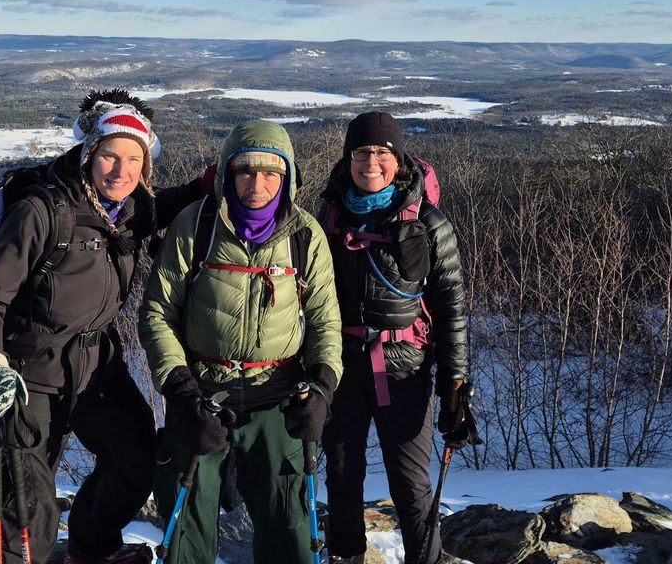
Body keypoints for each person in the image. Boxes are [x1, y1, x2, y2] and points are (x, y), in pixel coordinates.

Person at [0, 90, 200, 564]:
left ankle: (92, 549)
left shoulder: (131, 210)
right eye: (110, 156)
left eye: (134, 159)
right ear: (89, 153)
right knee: (24, 508)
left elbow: (166, 204)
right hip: (28, 374)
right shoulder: (43, 210)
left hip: (96, 368)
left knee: (135, 459)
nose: (121, 170)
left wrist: (220, 179)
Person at [139, 119, 342, 564]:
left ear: (288, 178)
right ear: (227, 173)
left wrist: (322, 388)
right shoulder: (195, 227)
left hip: (279, 398)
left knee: (289, 530)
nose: (257, 182)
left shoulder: (306, 236)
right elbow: (158, 312)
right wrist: (181, 390)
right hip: (201, 396)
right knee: (186, 531)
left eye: (272, 172)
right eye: (245, 170)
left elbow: (326, 322)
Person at [318, 112, 471, 564]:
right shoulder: (328, 214)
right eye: (362, 152)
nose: (371, 161)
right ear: (348, 159)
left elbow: (452, 305)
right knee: (343, 473)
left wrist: (456, 382)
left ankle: (426, 559)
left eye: (382, 153)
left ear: (398, 159)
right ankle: (346, 556)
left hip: (404, 365)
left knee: (410, 480)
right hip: (342, 364)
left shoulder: (429, 221)